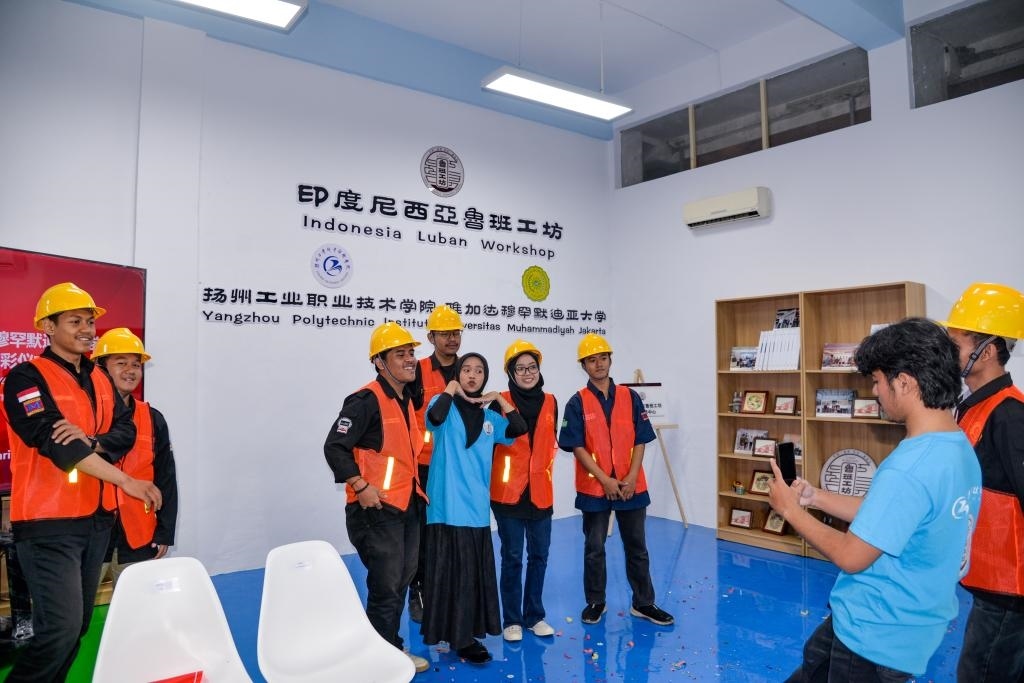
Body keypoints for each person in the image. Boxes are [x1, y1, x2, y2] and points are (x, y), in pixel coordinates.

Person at [768, 317, 982, 681]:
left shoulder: (910, 467)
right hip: (897, 623)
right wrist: (813, 497)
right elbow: (887, 517)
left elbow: (852, 555)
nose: (875, 392)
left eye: (877, 381)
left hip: (875, 634)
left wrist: (790, 511)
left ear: (904, 382)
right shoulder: (955, 447)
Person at [0, 282, 162, 682]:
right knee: (59, 629)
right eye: (75, 321)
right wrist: (125, 480)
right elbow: (53, 442)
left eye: (89, 322)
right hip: (48, 523)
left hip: (96, 522)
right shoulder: (25, 378)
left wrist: (89, 440)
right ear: (48, 327)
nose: (87, 330)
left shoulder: (100, 378)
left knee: (77, 629)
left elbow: (124, 430)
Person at [322, 322, 429, 674]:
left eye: (411, 353)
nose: (410, 359)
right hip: (376, 510)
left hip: (406, 505)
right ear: (380, 362)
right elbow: (334, 447)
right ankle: (381, 662)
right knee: (386, 588)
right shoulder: (365, 400)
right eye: (400, 354)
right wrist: (360, 486)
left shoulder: (404, 399)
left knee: (401, 581)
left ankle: (387, 649)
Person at [557, 333, 674, 627]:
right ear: (583, 366)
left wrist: (631, 477)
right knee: (594, 548)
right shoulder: (577, 402)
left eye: (603, 358)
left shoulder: (630, 397)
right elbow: (577, 446)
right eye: (591, 360)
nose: (598, 364)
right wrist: (605, 480)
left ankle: (643, 603)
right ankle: (596, 602)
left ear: (610, 360)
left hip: (631, 486)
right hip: (594, 487)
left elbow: (640, 439)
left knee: (637, 547)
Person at [420, 352, 527, 664]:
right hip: (445, 506)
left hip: (476, 508)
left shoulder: (491, 418)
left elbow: (519, 428)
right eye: (465, 369)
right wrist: (450, 388)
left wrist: (499, 399)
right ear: (457, 374)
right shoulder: (442, 404)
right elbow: (434, 418)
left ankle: (465, 637)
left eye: (479, 371)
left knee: (470, 577)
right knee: (447, 575)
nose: (472, 375)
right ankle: (454, 635)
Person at [942, 283, 1024, 683]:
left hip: (1009, 586)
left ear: (987, 351)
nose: (946, 354)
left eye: (955, 344)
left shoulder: (1009, 415)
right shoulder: (974, 406)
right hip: (989, 576)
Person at [91, 328, 178, 586]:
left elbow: (166, 477)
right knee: (77, 607)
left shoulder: (152, 418)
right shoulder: (84, 414)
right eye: (121, 363)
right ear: (100, 368)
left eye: (136, 365)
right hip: (90, 533)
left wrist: (164, 532)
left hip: (138, 534)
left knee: (139, 604)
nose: (130, 371)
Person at [490, 340, 558, 642]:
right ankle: (512, 620)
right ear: (510, 372)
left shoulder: (552, 401)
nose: (528, 373)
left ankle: (535, 616)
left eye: (532, 367)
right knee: (513, 557)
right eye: (520, 368)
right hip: (508, 494)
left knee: (539, 556)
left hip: (541, 491)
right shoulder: (499, 402)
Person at [407, 304, 463, 622]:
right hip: (426, 465)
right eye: (444, 334)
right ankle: (418, 590)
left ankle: (450, 588)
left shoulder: (469, 369)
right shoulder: (417, 371)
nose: (451, 338)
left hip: (459, 466)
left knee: (454, 530)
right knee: (424, 532)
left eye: (455, 332)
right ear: (431, 337)